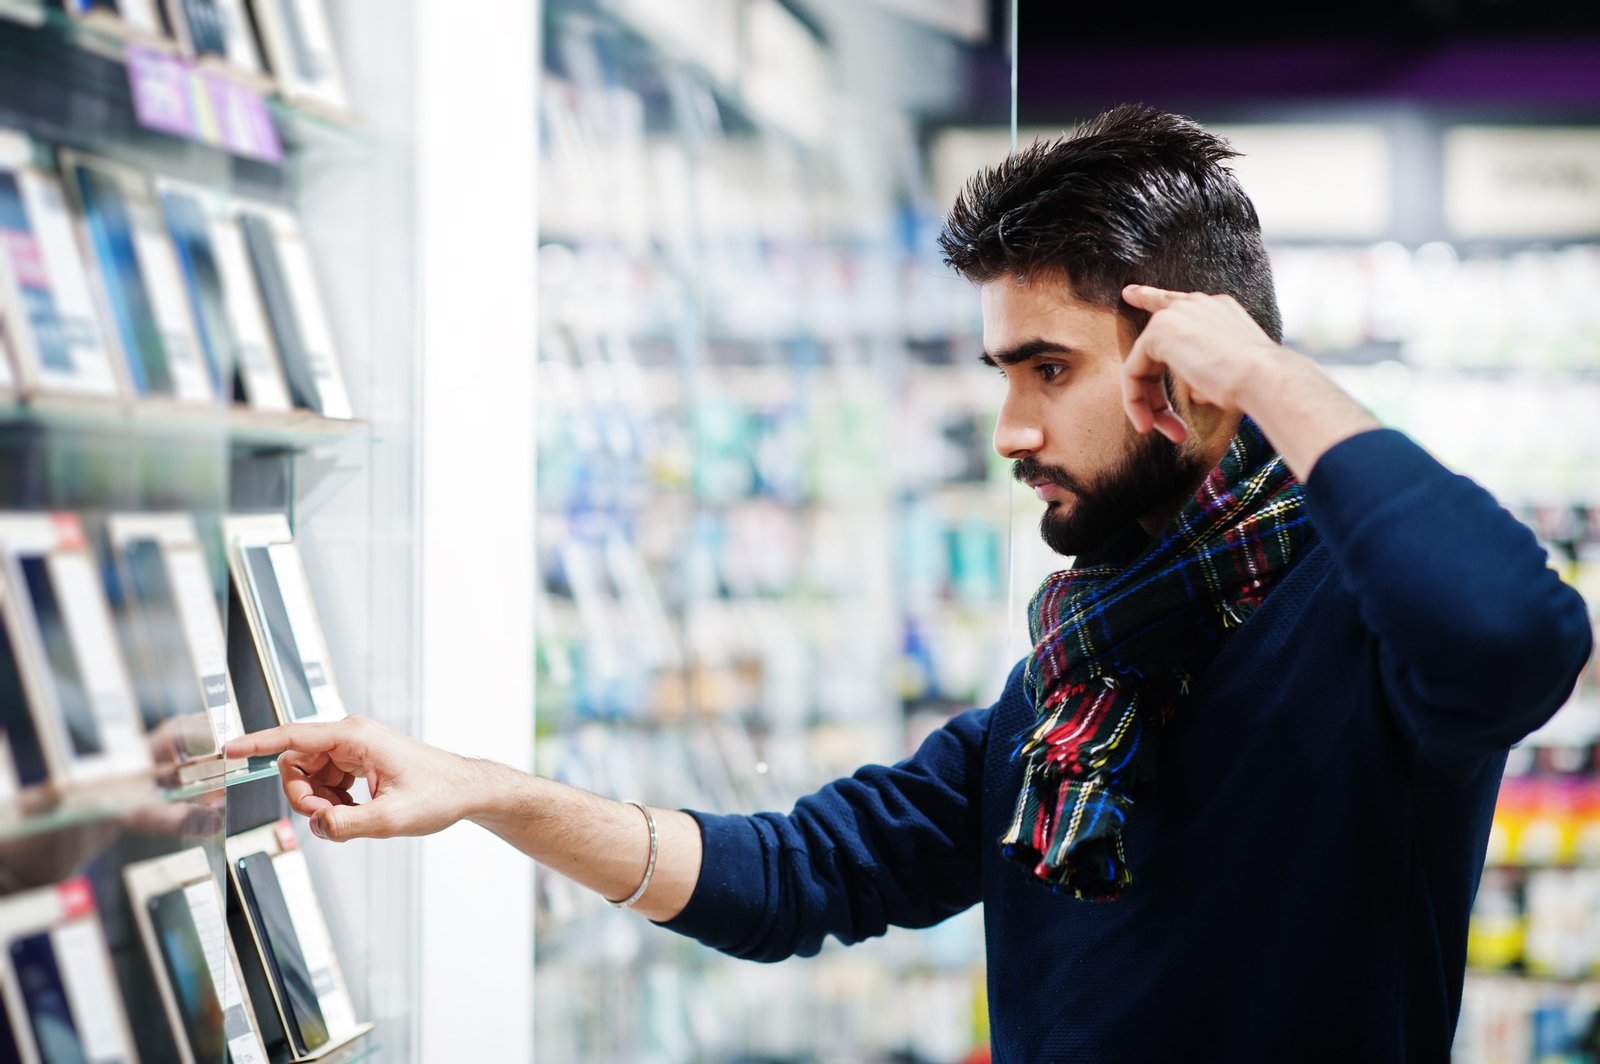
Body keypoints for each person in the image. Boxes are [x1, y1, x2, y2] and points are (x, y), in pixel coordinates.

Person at [227, 104, 1594, 1061]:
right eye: (1000, 376)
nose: (1008, 431)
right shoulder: (1069, 690)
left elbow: (1515, 627)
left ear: (1191, 366)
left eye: (1047, 371)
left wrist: (1266, 373)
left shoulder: (1362, 642)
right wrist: (486, 793)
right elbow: (793, 877)